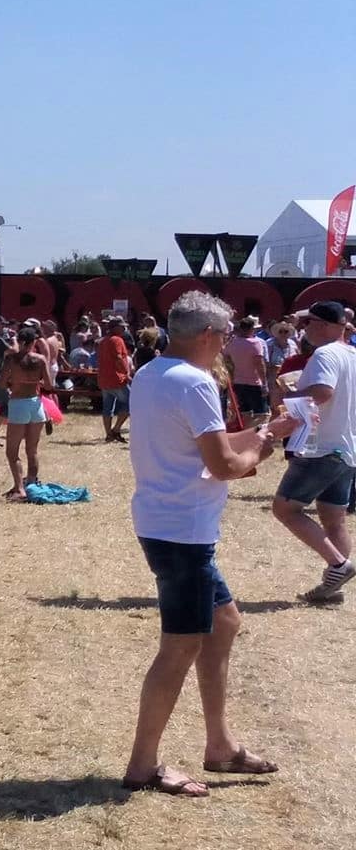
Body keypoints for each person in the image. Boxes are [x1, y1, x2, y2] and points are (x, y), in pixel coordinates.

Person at [123, 290, 295, 795]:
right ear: (206, 336)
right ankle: (142, 766)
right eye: (223, 335)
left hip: (165, 522)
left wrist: (266, 431)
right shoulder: (196, 383)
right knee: (178, 648)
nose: (226, 343)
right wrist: (263, 445)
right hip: (184, 532)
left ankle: (219, 745)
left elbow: (204, 451)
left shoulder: (152, 373)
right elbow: (224, 466)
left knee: (224, 622)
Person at [272, 300, 356, 607]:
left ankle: (338, 566)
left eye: (308, 323)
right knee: (335, 520)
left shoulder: (325, 354)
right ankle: (332, 586)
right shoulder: (351, 354)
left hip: (320, 447)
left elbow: (322, 393)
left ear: (323, 325)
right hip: (346, 448)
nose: (304, 329)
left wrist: (288, 394)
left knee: (285, 509)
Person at [0, 320, 51, 498]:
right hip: (35, 404)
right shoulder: (41, 359)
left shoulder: (11, 359)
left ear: (20, 341)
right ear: (33, 342)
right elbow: (50, 384)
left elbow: (1, 382)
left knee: (12, 451)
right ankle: (31, 483)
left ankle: (19, 487)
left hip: (18, 403)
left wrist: (12, 382)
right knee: (32, 450)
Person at [224, 314, 271, 426]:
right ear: (251, 329)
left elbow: (226, 359)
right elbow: (259, 364)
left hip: (238, 382)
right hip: (254, 383)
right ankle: (255, 437)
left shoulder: (232, 343)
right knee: (262, 414)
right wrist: (264, 384)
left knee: (246, 413)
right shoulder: (255, 343)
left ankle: (247, 435)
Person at [97, 314, 134, 443]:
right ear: (115, 328)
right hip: (116, 379)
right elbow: (118, 358)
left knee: (107, 407)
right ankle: (116, 429)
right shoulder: (117, 340)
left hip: (104, 379)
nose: (124, 329)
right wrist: (126, 372)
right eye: (122, 327)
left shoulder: (102, 341)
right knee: (131, 402)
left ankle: (108, 434)